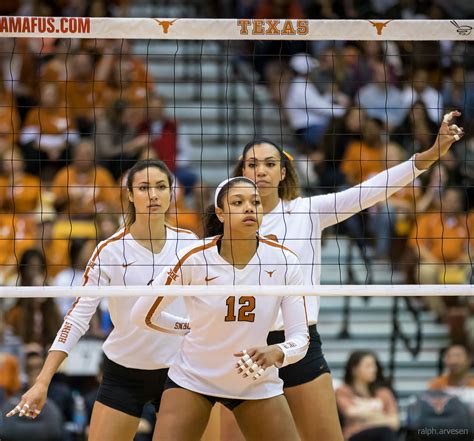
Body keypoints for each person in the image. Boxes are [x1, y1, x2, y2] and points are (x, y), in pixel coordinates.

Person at [227, 111, 464, 441]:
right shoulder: (225, 220)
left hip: (300, 342)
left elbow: (370, 191)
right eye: (252, 165)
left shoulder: (307, 211)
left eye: (269, 163)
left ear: (283, 171)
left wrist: (428, 156)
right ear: (241, 172)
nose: (261, 171)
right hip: (244, 344)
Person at [6, 159, 198, 441]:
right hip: (124, 371)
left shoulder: (190, 244)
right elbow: (77, 317)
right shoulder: (109, 251)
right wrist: (42, 380)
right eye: (144, 188)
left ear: (171, 193)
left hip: (179, 372)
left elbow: (207, 309)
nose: (154, 195)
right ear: (130, 195)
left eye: (161, 187)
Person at [131, 177, 309, 441]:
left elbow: (300, 339)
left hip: (254, 380)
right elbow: (143, 314)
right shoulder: (194, 258)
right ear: (220, 213)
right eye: (238, 203)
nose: (249, 208)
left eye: (255, 202)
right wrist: (186, 327)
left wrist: (278, 351)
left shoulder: (284, 260)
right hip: (194, 378)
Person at [335, 351, 399, 441]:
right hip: (355, 435)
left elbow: (395, 422)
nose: (374, 369)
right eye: (368, 366)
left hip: (381, 434)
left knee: (386, 432)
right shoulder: (343, 391)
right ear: (354, 369)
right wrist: (381, 416)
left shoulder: (384, 392)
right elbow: (350, 413)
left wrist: (365, 417)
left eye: (374, 366)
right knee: (385, 431)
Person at [428, 343, 474, 418]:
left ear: (469, 359)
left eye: (458, 356)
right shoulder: (436, 384)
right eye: (449, 356)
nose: (453, 361)